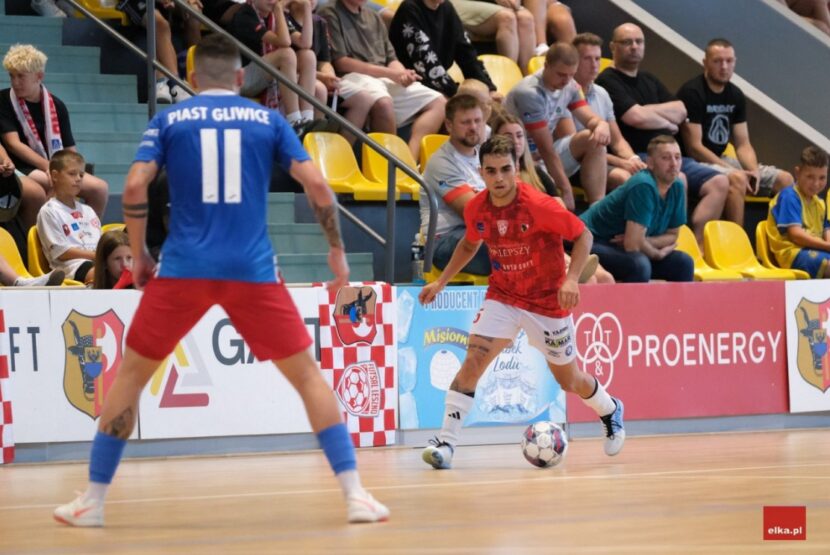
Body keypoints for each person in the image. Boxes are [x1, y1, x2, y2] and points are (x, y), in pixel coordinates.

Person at [53, 34, 389, 527]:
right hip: (252, 270)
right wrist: (336, 250)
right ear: (239, 78)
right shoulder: (268, 120)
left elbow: (135, 184)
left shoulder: (169, 119)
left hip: (183, 268)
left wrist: (140, 253)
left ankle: (92, 501)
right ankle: (355, 495)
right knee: (307, 378)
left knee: (130, 378)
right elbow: (317, 184)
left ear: (191, 78)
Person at [419, 135, 625, 470]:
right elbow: (469, 245)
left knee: (569, 381)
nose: (499, 178)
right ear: (481, 172)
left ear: (516, 169)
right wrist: (441, 282)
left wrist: (571, 278)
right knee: (473, 361)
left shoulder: (538, 205)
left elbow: (583, 235)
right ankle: (446, 443)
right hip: (503, 296)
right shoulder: (477, 207)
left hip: (546, 303)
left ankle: (610, 408)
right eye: (490, 171)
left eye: (505, 169)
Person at [595, 23, 728, 245]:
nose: (634, 46)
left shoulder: (649, 79)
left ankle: (695, 245)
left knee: (720, 183)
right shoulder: (608, 80)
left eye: (639, 41)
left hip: (672, 154)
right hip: (642, 155)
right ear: (613, 47)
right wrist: (665, 120)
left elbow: (681, 109)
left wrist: (646, 112)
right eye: (627, 42)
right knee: (678, 179)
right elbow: (634, 117)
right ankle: (663, 239)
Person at [677, 38, 793, 227]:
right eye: (717, 61)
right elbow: (694, 148)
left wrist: (753, 170)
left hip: (721, 158)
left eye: (729, 61)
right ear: (705, 62)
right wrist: (732, 170)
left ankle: (784, 237)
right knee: (738, 178)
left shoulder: (735, 95)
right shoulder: (693, 92)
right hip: (694, 161)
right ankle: (738, 239)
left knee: (784, 179)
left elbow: (743, 143)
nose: (724, 67)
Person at [490, 109, 614, 284]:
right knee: (589, 280)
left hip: (550, 238)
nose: (516, 141)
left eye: (519, 136)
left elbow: (559, 207)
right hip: (521, 246)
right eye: (508, 136)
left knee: (606, 278)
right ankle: (569, 270)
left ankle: (569, 268)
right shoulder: (495, 177)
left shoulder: (537, 172)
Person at [320, 0, 446, 160]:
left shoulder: (374, 16)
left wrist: (403, 74)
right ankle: (390, 165)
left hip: (384, 76)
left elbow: (391, 59)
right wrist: (391, 74)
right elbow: (342, 62)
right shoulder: (329, 12)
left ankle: (409, 161)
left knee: (439, 102)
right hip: (354, 76)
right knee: (384, 103)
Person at [0, 44, 109, 219]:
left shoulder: (57, 105)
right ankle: (44, 234)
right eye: (12, 76)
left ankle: (89, 234)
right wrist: (49, 167)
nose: (15, 82)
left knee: (99, 188)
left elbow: (70, 150)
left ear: (39, 76)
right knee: (50, 184)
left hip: (52, 165)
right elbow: (13, 144)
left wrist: (73, 170)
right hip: (22, 166)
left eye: (21, 76)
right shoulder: (4, 100)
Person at [504, 42, 610, 210]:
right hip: (518, 157)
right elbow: (545, 148)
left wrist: (601, 124)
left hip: (542, 156)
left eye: (571, 74)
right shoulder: (529, 92)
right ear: (546, 66)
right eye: (561, 74)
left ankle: (596, 209)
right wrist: (565, 188)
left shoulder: (570, 85)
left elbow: (589, 118)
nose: (566, 80)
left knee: (594, 139)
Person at [579, 135, 694, 283]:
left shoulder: (677, 186)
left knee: (683, 263)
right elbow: (632, 246)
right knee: (639, 265)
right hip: (591, 240)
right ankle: (625, 300)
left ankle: (677, 302)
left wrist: (643, 240)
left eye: (677, 157)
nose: (674, 164)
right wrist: (655, 253)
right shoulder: (643, 184)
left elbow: (672, 235)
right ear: (650, 163)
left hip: (624, 245)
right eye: (666, 158)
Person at [211, 0, 311, 129]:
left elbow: (305, 43)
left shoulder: (274, 16)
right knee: (286, 55)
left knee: (308, 57)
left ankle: (308, 121)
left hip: (261, 76)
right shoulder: (245, 14)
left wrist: (307, 7)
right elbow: (284, 41)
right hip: (239, 78)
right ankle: (295, 121)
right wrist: (279, 9)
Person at [421, 94, 490, 275]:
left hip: (479, 234)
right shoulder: (441, 162)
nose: (473, 127)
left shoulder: (487, 157)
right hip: (444, 242)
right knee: (509, 246)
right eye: (466, 122)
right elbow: (473, 212)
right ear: (449, 125)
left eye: (477, 121)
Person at [569, 32, 646, 190]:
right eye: (587, 59)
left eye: (597, 59)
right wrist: (622, 163)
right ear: (574, 61)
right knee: (623, 178)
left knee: (647, 176)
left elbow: (617, 141)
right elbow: (574, 150)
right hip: (573, 163)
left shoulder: (602, 94)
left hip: (601, 158)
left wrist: (633, 160)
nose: (594, 65)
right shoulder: (564, 93)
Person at [388, 0, 498, 99]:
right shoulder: (409, 9)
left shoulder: (447, 7)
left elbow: (466, 53)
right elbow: (427, 63)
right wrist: (456, 95)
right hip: (409, 84)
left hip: (435, 86)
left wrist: (488, 88)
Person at [36, 150, 102, 286]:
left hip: (97, 261)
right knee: (102, 273)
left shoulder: (88, 211)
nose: (78, 178)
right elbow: (61, 252)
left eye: (81, 175)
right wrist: (98, 256)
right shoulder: (49, 211)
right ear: (55, 176)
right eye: (72, 174)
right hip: (71, 267)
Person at [766, 146, 830, 278]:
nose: (816, 183)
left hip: (816, 249)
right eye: (810, 177)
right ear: (797, 173)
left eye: (822, 178)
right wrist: (826, 246)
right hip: (792, 253)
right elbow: (796, 235)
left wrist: (828, 245)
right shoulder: (789, 196)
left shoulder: (820, 203)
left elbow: (826, 231)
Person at [448, 0, 536, 70]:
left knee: (526, 18)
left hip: (492, 4)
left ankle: (527, 77)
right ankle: (509, 75)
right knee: (507, 18)